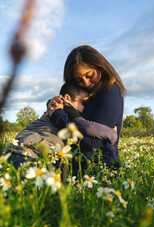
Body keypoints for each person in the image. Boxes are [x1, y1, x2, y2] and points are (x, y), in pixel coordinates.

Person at [47, 45, 126, 175]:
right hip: (78, 166)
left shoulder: (110, 93)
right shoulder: (87, 94)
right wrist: (54, 103)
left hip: (99, 170)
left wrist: (58, 115)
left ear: (100, 67)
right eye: (79, 80)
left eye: (89, 75)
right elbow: (70, 111)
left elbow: (94, 144)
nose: (86, 83)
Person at [6, 83, 117, 169]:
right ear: (67, 98)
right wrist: (110, 134)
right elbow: (86, 133)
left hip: (16, 154)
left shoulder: (57, 108)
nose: (86, 108)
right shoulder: (63, 109)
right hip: (26, 156)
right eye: (84, 103)